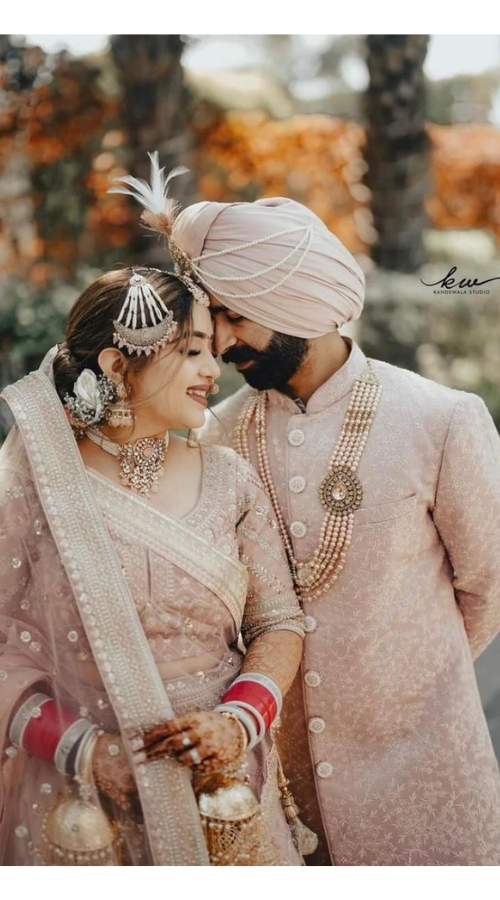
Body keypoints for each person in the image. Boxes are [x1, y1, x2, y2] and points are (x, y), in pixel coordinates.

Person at [163, 176, 500, 865]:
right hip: (280, 793)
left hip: (426, 773)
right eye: (212, 319)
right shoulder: (214, 437)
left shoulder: (440, 419)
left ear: (289, 302)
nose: (220, 342)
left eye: (233, 316)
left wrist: (404, 677)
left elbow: (488, 583)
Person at [0, 259, 311, 866]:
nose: (212, 370)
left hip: (224, 794)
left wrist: (239, 721)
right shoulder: (31, 489)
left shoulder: (231, 482)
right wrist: (87, 752)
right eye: (193, 351)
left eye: (211, 352)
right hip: (80, 808)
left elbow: (278, 622)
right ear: (118, 365)